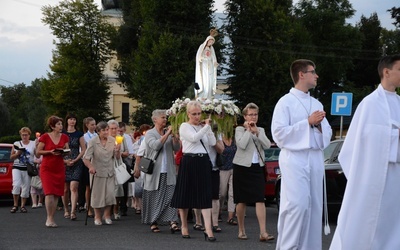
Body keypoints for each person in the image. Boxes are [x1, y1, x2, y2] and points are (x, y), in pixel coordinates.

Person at [330, 54, 400, 249]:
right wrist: (395, 136)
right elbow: (361, 141)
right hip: (373, 177)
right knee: (368, 226)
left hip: (396, 176)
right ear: (386, 72)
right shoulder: (370, 104)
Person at [271, 59, 332, 250]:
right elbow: (279, 134)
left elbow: (328, 133)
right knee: (297, 206)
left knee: (314, 208)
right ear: (301, 75)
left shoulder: (316, 102)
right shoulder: (285, 102)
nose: (317, 75)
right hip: (295, 159)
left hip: (314, 158)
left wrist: (319, 125)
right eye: (313, 72)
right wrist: (307, 122)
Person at [171, 100, 217, 241]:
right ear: (188, 114)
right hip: (189, 161)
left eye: (199, 113)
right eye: (194, 114)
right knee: (185, 194)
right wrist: (206, 128)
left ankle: (208, 229)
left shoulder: (203, 127)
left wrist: (208, 130)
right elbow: (193, 139)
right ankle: (184, 225)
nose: (197, 116)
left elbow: (213, 143)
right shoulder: (184, 126)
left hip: (203, 161)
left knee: (205, 195)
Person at [232, 103, 273, 242]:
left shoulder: (260, 129)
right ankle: (241, 230)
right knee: (241, 200)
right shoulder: (239, 129)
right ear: (245, 116)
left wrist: (257, 132)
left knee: (260, 199)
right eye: (250, 114)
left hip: (257, 167)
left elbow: (267, 145)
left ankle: (263, 232)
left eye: (255, 114)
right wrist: (248, 131)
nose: (253, 117)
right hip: (242, 167)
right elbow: (241, 145)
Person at [140, 109, 181, 233]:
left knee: (171, 196)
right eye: (162, 117)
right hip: (155, 172)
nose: (165, 119)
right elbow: (156, 146)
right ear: (155, 120)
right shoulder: (150, 134)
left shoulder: (167, 133)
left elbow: (177, 148)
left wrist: (175, 137)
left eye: (165, 117)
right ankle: (153, 221)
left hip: (168, 170)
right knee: (154, 197)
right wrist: (168, 133)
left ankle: (172, 221)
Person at [82, 121, 120, 226]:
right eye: (103, 130)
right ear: (98, 132)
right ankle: (97, 216)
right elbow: (86, 158)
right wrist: (91, 167)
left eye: (107, 129)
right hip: (97, 172)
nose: (106, 132)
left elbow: (117, 158)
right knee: (97, 196)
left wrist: (117, 151)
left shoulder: (113, 140)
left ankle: (107, 215)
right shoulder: (93, 142)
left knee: (110, 195)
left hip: (109, 171)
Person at [36, 116, 70, 227]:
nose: (61, 126)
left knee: (56, 194)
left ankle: (52, 217)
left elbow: (67, 150)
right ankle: (49, 218)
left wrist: (64, 152)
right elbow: (38, 152)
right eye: (58, 124)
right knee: (49, 192)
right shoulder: (45, 137)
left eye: (61, 124)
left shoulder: (64, 137)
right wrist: (50, 152)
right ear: (52, 126)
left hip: (59, 167)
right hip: (47, 168)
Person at [62, 113, 86, 221]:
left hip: (76, 161)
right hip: (64, 161)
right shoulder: (62, 133)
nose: (72, 121)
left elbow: (84, 149)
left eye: (74, 119)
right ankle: (66, 209)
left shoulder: (79, 134)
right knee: (65, 189)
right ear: (67, 121)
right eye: (70, 119)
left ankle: (73, 211)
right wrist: (65, 161)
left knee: (74, 187)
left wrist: (76, 159)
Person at [10, 127, 36, 214]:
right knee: (16, 185)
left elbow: (37, 155)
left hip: (28, 168)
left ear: (29, 135)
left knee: (26, 186)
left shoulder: (33, 144)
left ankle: (23, 206)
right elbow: (11, 157)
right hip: (17, 166)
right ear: (20, 135)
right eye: (23, 135)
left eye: (26, 135)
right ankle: (15, 205)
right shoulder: (16, 143)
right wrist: (18, 153)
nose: (24, 137)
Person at [108, 119, 129, 220]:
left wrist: (119, 152)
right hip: (107, 163)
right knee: (107, 188)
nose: (114, 130)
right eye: (112, 128)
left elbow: (125, 152)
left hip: (118, 163)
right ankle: (108, 210)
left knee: (118, 188)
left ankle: (116, 210)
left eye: (115, 128)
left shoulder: (119, 138)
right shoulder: (105, 138)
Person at [78, 117, 97, 218]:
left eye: (95, 124)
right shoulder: (84, 136)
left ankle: (96, 207)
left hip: (97, 162)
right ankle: (89, 207)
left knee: (96, 187)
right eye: (92, 125)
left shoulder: (97, 135)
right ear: (87, 125)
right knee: (88, 187)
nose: (94, 126)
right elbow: (82, 150)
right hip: (87, 162)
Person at [218, 133, 237, 226]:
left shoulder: (234, 139)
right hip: (223, 169)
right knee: (222, 193)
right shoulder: (219, 138)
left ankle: (230, 217)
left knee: (232, 193)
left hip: (234, 168)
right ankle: (218, 210)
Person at [195, 28, 218, 99]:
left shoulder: (212, 49)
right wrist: (201, 59)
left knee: (210, 80)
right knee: (204, 80)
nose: (211, 43)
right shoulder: (202, 47)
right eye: (210, 41)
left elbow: (213, 57)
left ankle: (209, 96)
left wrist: (215, 63)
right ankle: (203, 95)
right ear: (207, 41)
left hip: (210, 66)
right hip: (204, 65)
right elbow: (198, 56)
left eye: (212, 42)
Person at [118, 122, 135, 216]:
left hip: (124, 162)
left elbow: (130, 151)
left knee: (124, 184)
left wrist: (123, 153)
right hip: (116, 162)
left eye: (121, 131)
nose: (120, 132)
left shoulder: (126, 138)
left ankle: (123, 206)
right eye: (118, 130)